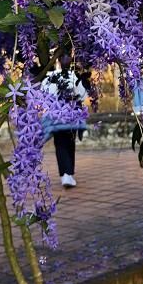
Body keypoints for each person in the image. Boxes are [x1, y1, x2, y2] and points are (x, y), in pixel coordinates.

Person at [39, 55, 95, 188]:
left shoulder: (51, 77)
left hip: (59, 116)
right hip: (70, 115)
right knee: (67, 143)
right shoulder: (69, 76)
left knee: (62, 143)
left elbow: (44, 96)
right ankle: (67, 174)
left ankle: (67, 174)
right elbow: (82, 95)